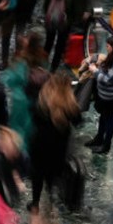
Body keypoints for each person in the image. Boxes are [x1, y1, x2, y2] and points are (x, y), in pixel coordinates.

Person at [29, 72, 79, 211]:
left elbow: (33, 119)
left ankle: (35, 204)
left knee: (37, 178)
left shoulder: (41, 103)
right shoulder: (70, 106)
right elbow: (78, 120)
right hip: (58, 150)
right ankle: (50, 204)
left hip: (39, 147)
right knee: (51, 179)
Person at [86, 37, 113, 155]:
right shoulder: (112, 57)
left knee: (109, 119)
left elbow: (108, 80)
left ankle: (106, 145)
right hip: (103, 95)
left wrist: (95, 71)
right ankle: (99, 138)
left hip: (111, 96)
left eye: (109, 45)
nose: (106, 47)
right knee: (103, 117)